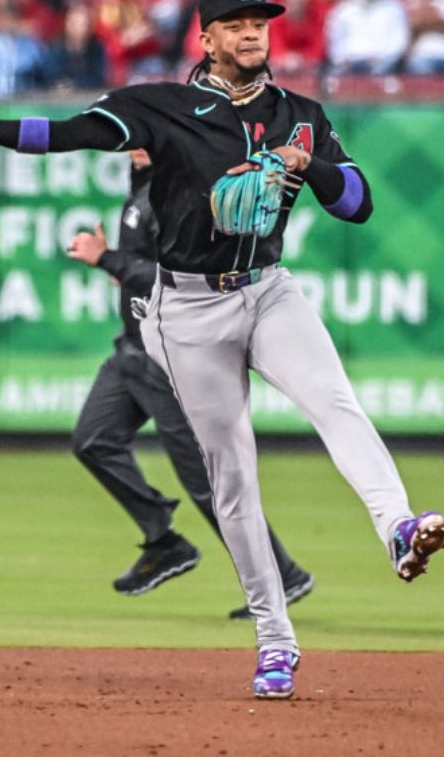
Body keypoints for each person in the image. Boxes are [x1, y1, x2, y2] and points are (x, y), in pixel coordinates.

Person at [0, 0, 444, 700]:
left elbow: (357, 202)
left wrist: (308, 164)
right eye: (237, 22)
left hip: (268, 289)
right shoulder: (161, 106)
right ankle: (275, 640)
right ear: (208, 38)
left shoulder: (300, 115)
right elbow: (65, 135)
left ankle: (397, 529)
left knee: (336, 403)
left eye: (261, 21)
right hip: (186, 311)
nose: (253, 32)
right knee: (233, 476)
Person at [63, 146, 315, 621]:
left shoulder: (177, 189)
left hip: (174, 356)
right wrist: (121, 265)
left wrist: (109, 260)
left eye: (140, 131)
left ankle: (283, 576)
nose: (131, 140)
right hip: (134, 349)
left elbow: (182, 277)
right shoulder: (141, 184)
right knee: (93, 440)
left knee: (208, 483)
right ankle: (163, 539)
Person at [325, 0, 410, 75]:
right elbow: (335, 37)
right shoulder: (346, 7)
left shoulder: (394, 7)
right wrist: (341, 58)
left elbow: (400, 41)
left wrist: (382, 57)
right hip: (351, 60)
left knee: (382, 70)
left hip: (380, 61)